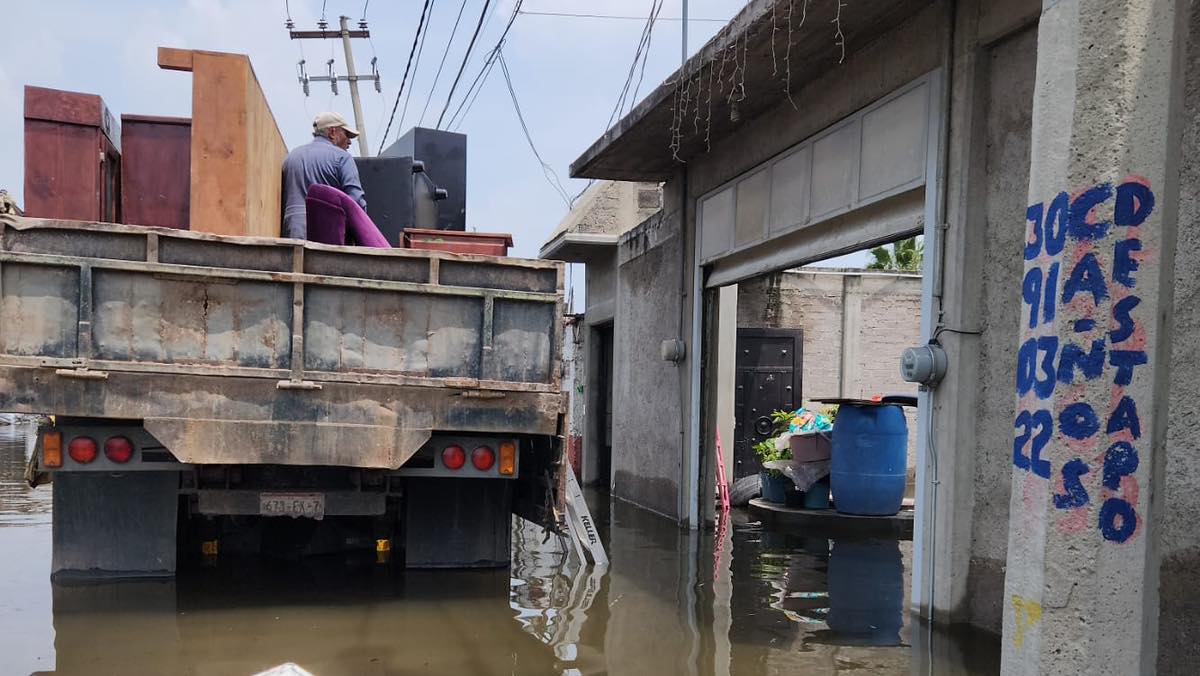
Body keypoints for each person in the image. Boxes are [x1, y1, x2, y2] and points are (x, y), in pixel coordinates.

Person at [281, 112, 367, 239]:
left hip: (293, 234)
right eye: (347, 135)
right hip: (326, 236)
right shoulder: (342, 157)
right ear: (332, 132)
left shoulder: (291, 157)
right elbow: (356, 203)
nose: (349, 142)